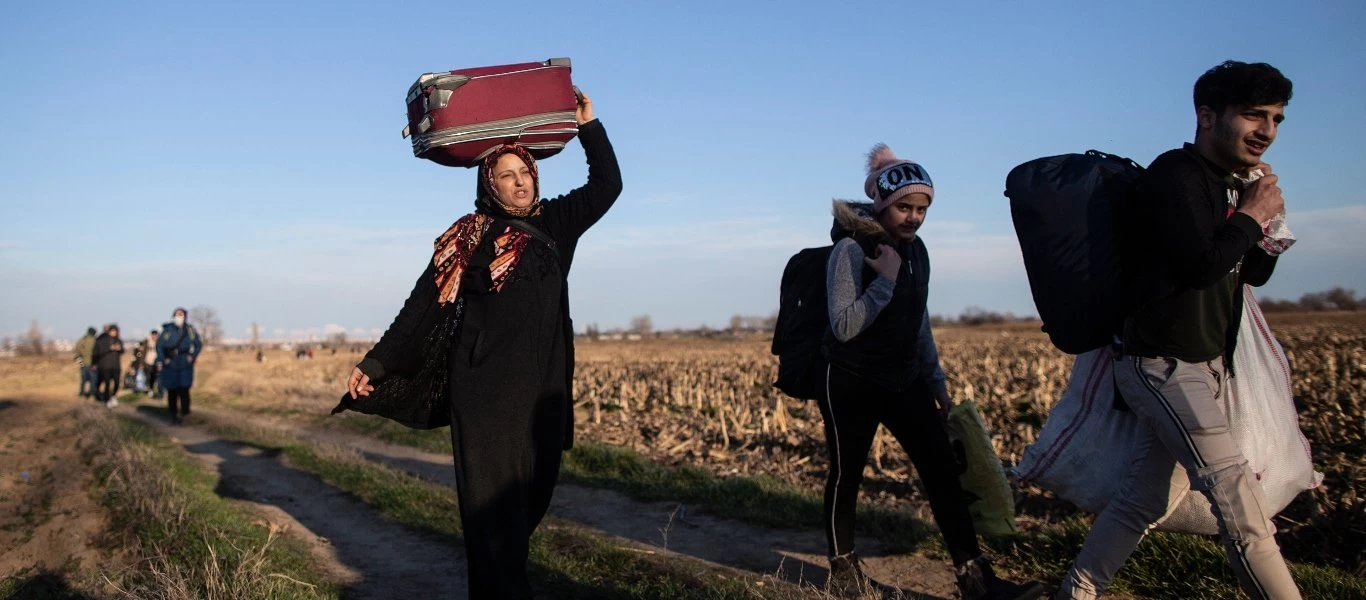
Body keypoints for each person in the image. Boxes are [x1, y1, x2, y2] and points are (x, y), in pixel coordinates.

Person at [339, 89, 620, 598]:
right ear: (489, 182)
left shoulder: (555, 225)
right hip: (486, 394)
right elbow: (423, 306)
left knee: (530, 504)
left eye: (526, 172)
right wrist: (376, 363)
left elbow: (607, 186)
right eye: (508, 174)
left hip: (543, 395)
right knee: (494, 521)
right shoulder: (469, 237)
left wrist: (589, 127)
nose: (520, 182)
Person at [1056, 61, 1298, 600]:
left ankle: (1076, 591)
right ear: (1208, 116)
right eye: (1253, 115)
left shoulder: (1230, 185)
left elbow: (1250, 272)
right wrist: (1250, 217)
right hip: (1162, 365)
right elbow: (1199, 265)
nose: (1267, 130)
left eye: (1277, 119)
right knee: (1242, 509)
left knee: (1142, 500)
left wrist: (1266, 217)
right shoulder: (1175, 176)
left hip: (1205, 366)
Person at [819, 145, 1043, 599]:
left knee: (942, 472)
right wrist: (883, 281)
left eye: (922, 209)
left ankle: (976, 580)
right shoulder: (848, 250)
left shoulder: (917, 251)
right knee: (847, 475)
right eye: (904, 207)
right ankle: (844, 573)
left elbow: (918, 320)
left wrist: (935, 377)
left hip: (905, 381)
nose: (914, 217)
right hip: (850, 380)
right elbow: (843, 326)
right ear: (882, 204)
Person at [157, 308, 203, 425]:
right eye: (177, 315)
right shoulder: (167, 330)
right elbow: (159, 346)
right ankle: (173, 415)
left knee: (184, 389)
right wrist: (163, 359)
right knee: (172, 391)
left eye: (181, 315)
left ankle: (185, 414)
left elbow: (198, 344)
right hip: (171, 363)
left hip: (184, 363)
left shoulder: (190, 330)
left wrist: (192, 356)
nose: (179, 317)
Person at [92, 324, 124, 407]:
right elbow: (96, 352)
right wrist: (94, 364)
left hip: (116, 366)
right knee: (107, 383)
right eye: (112, 331)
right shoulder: (101, 339)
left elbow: (123, 351)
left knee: (117, 383)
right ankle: (107, 399)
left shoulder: (118, 340)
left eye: (115, 331)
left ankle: (113, 396)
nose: (114, 333)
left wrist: (119, 349)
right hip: (105, 366)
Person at [73, 327, 97, 398]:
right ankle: (92, 394)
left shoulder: (82, 340)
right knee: (93, 380)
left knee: (83, 380)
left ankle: (82, 393)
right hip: (93, 364)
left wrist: (80, 363)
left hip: (83, 364)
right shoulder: (95, 340)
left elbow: (76, 352)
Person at [142, 330, 161, 395]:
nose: (155, 337)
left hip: (156, 362)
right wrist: (141, 362)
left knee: (154, 376)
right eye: (153, 335)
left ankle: (153, 389)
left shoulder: (160, 342)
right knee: (148, 376)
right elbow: (142, 353)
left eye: (156, 336)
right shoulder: (146, 342)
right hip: (147, 362)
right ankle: (149, 387)